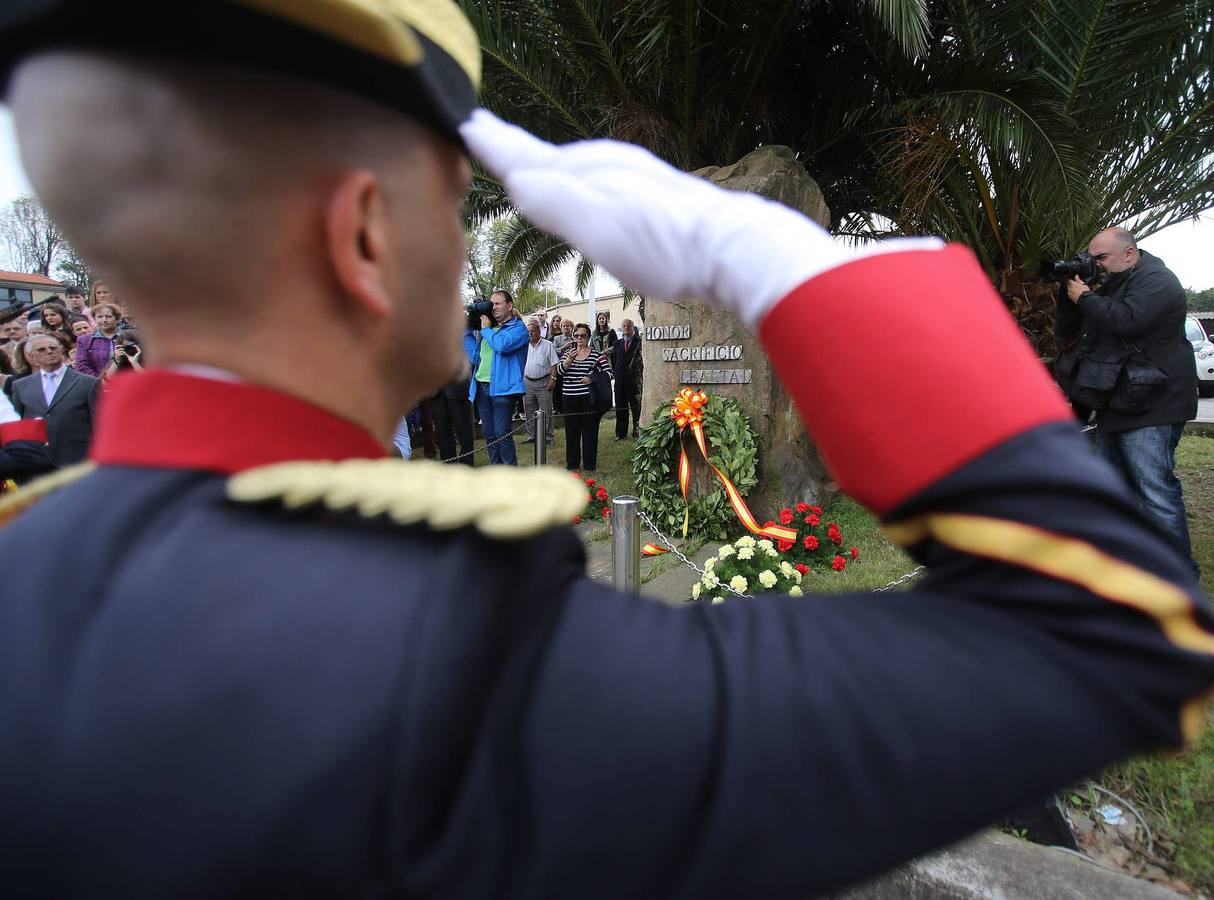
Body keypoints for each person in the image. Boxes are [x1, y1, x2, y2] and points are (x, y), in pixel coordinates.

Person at [0, 7, 1210, 899]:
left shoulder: (30, 557)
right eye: (448, 189)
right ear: (363, 233)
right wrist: (780, 265)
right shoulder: (469, 660)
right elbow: (1105, 642)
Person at [1060, 227, 1199, 572]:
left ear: (1129, 254)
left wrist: (1087, 298)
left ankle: (1177, 576)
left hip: (1154, 404)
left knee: (1156, 493)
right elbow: (1071, 330)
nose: (1097, 265)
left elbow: (1128, 321)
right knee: (1115, 492)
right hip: (1117, 401)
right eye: (1092, 258)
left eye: (1101, 258)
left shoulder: (1158, 280)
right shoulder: (1112, 283)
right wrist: (1070, 295)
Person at [10, 332, 99, 466]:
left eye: (53, 348)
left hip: (78, 459)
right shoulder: (21, 385)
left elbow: (100, 424)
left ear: (61, 350)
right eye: (41, 350)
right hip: (38, 462)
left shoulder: (88, 383)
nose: (49, 352)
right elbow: (18, 424)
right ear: (30, 356)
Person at [472, 289, 528, 465]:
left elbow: (502, 345)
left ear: (509, 306)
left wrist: (486, 330)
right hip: (482, 386)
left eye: (497, 303)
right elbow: (477, 356)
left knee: (502, 435)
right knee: (489, 435)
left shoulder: (518, 328)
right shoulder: (489, 328)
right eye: (491, 304)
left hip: (503, 389)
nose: (493, 307)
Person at [556, 322, 611, 471]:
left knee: (590, 432)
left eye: (583, 335)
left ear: (588, 337)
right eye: (577, 335)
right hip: (569, 398)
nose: (580, 338)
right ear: (573, 337)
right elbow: (559, 372)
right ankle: (572, 464)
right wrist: (568, 361)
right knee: (571, 433)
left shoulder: (596, 355)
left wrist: (592, 378)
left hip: (589, 399)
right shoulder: (568, 354)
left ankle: (589, 465)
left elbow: (608, 374)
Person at [522, 316, 558, 445]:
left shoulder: (547, 345)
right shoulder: (523, 345)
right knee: (529, 410)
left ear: (538, 331)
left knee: (546, 410)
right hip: (527, 382)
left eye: (533, 331)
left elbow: (554, 364)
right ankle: (532, 436)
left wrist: (553, 379)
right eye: (528, 331)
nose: (530, 333)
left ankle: (548, 437)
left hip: (544, 382)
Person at [612, 317, 643, 439]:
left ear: (633, 327)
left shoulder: (639, 342)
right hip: (620, 381)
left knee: (636, 408)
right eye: (624, 326)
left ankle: (637, 431)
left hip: (634, 381)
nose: (626, 328)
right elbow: (615, 361)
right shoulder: (617, 344)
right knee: (620, 408)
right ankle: (620, 433)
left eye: (629, 325)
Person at [73, 301, 121, 377]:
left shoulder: (127, 337)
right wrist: (98, 381)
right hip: (96, 383)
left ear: (117, 319)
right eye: (100, 317)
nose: (104, 320)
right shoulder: (84, 340)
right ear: (95, 319)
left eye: (108, 316)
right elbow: (82, 365)